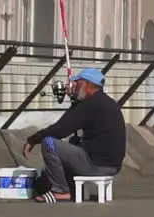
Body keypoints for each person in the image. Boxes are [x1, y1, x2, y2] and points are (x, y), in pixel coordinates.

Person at [23, 68, 126, 204]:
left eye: (78, 83)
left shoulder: (90, 104)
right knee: (73, 141)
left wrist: (33, 140)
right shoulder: (107, 102)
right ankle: (67, 187)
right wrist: (77, 103)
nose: (74, 86)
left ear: (88, 85)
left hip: (95, 165)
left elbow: (61, 129)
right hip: (112, 166)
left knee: (49, 143)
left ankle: (60, 191)